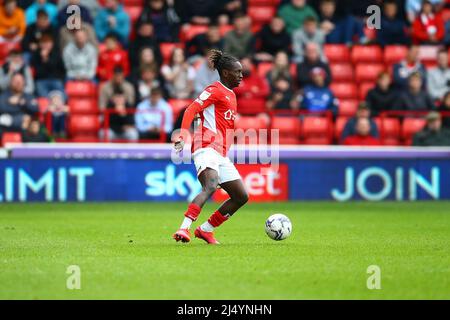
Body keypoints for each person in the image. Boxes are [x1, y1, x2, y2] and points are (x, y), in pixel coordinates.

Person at [172, 49, 248, 245]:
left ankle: (206, 230)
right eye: (237, 72)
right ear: (225, 73)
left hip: (221, 152)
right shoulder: (214, 90)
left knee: (241, 196)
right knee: (210, 185)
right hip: (205, 146)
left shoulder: (231, 95)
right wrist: (182, 134)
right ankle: (183, 228)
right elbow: (191, 109)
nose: (241, 75)